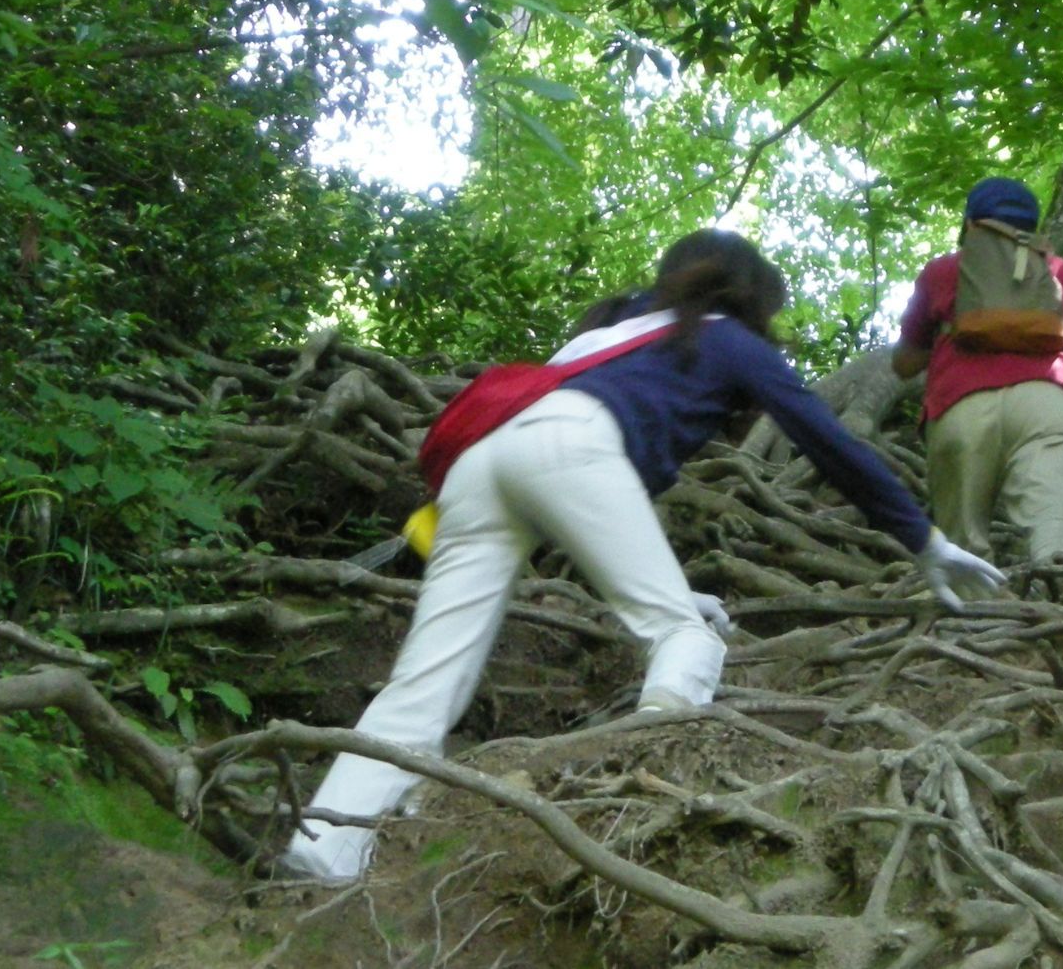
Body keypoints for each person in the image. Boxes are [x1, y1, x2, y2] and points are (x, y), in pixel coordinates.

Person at [280, 229, 1006, 884]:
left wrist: (670, 591)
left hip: (483, 467)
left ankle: (325, 845)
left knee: (425, 684)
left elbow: (586, 512)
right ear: (751, 296)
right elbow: (831, 442)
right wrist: (923, 538)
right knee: (687, 640)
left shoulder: (611, 332)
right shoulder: (726, 340)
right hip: (568, 450)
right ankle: (645, 788)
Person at [892, 177, 1063, 563]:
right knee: (1053, 538)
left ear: (971, 224)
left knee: (964, 551)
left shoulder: (943, 272)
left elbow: (904, 364)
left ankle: (973, 613)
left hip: (961, 407)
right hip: (1051, 406)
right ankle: (1058, 610)